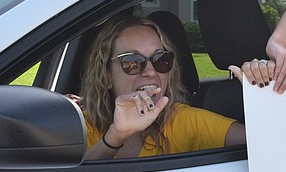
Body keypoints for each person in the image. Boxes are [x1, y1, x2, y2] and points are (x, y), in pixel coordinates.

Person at [79, 14, 246, 159]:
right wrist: (116, 136)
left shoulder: (180, 121)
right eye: (133, 62)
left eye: (161, 59)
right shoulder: (83, 126)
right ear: (106, 76)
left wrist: (261, 94)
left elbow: (263, 142)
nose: (150, 72)